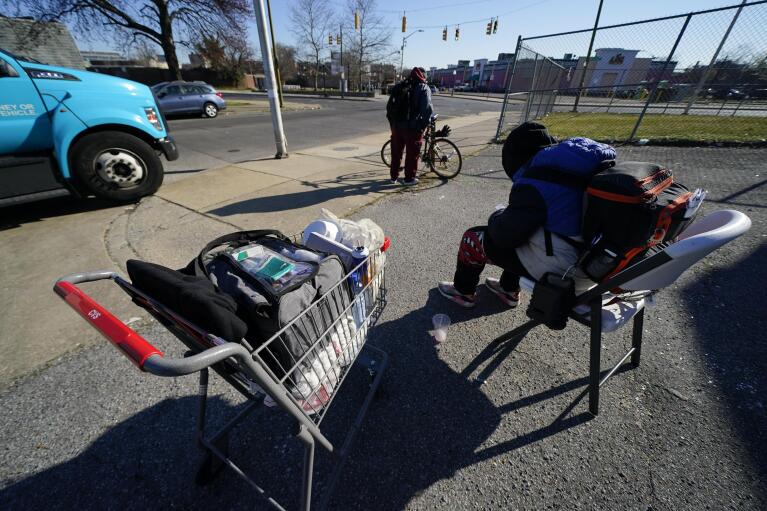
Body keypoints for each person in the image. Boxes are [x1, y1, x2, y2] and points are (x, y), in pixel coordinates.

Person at [438, 122, 616, 308]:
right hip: (596, 267)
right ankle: (508, 289)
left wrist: (498, 215)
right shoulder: (582, 166)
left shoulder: (536, 180)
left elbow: (504, 235)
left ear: (515, 158)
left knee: (474, 239)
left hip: (565, 274)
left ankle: (463, 292)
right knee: (527, 230)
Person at [386, 67, 433, 186]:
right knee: (412, 154)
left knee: (396, 153)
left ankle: (393, 177)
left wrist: (393, 125)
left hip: (397, 126)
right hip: (412, 128)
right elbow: (427, 110)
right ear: (423, 75)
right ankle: (409, 179)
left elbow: (389, 108)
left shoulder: (400, 86)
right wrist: (422, 126)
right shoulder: (423, 87)